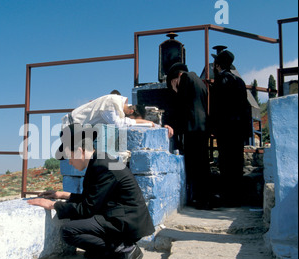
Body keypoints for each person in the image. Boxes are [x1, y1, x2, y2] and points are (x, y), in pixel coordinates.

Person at [28, 123, 155, 259]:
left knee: (69, 231)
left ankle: (126, 250)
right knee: (79, 226)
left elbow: (88, 208)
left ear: (80, 151)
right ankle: (107, 252)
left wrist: (54, 205)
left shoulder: (102, 166)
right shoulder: (100, 161)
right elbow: (95, 197)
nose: (69, 162)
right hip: (124, 217)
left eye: (69, 157)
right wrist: (62, 195)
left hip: (125, 222)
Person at [165, 62, 211, 209]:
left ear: (177, 77)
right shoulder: (199, 81)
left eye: (173, 82)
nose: (174, 85)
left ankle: (200, 199)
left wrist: (175, 90)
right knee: (203, 163)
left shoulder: (185, 79)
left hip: (192, 128)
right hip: (202, 127)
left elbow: (182, 105)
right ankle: (205, 198)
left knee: (194, 164)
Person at [210, 50, 252, 207]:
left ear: (218, 65)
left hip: (225, 129)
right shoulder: (239, 81)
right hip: (239, 130)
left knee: (226, 163)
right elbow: (246, 108)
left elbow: (217, 107)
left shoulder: (221, 80)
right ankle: (237, 197)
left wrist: (213, 126)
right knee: (237, 162)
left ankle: (228, 198)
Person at [61, 93, 154, 128]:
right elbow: (117, 124)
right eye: (131, 118)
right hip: (71, 126)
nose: (126, 119)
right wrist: (138, 121)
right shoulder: (112, 103)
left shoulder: (121, 105)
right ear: (131, 112)